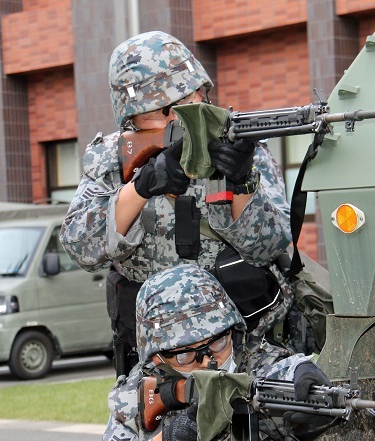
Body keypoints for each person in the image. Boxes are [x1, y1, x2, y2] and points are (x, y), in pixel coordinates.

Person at [59, 31, 295, 374]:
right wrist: (141, 187)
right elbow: (81, 247)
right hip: (159, 362)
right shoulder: (112, 160)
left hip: (246, 349)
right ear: (132, 117)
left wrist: (240, 181)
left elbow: (271, 245)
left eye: (194, 97)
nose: (181, 117)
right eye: (165, 109)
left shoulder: (240, 148)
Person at [76, 263, 332, 441]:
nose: (207, 362)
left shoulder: (261, 362)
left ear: (232, 330)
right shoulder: (139, 396)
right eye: (186, 355)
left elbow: (283, 371)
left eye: (217, 343)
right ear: (157, 358)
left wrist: (305, 374)